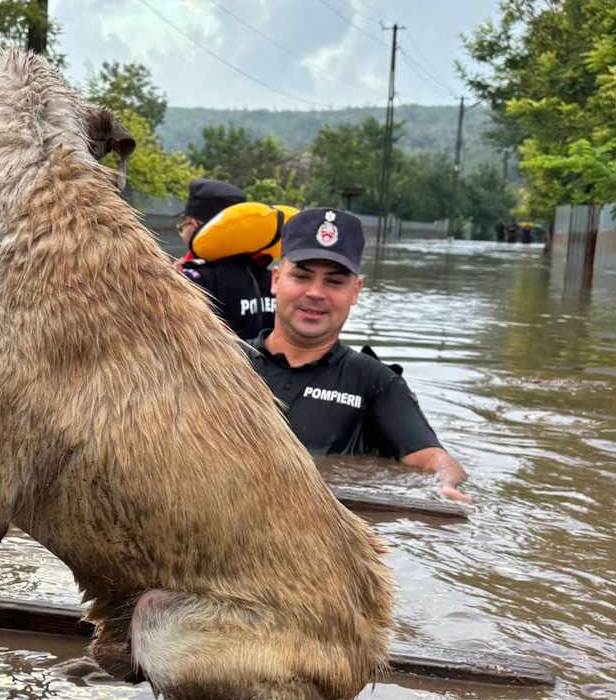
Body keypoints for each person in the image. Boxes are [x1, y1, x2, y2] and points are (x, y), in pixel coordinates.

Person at [247, 207, 470, 501]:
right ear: (275, 280)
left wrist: (446, 484)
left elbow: (432, 459)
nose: (315, 292)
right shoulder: (224, 361)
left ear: (356, 291)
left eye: (335, 282)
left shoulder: (374, 381)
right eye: (301, 276)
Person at [175, 178, 270, 340]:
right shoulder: (271, 278)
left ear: (196, 225)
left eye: (184, 224)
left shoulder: (196, 279)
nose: (182, 231)